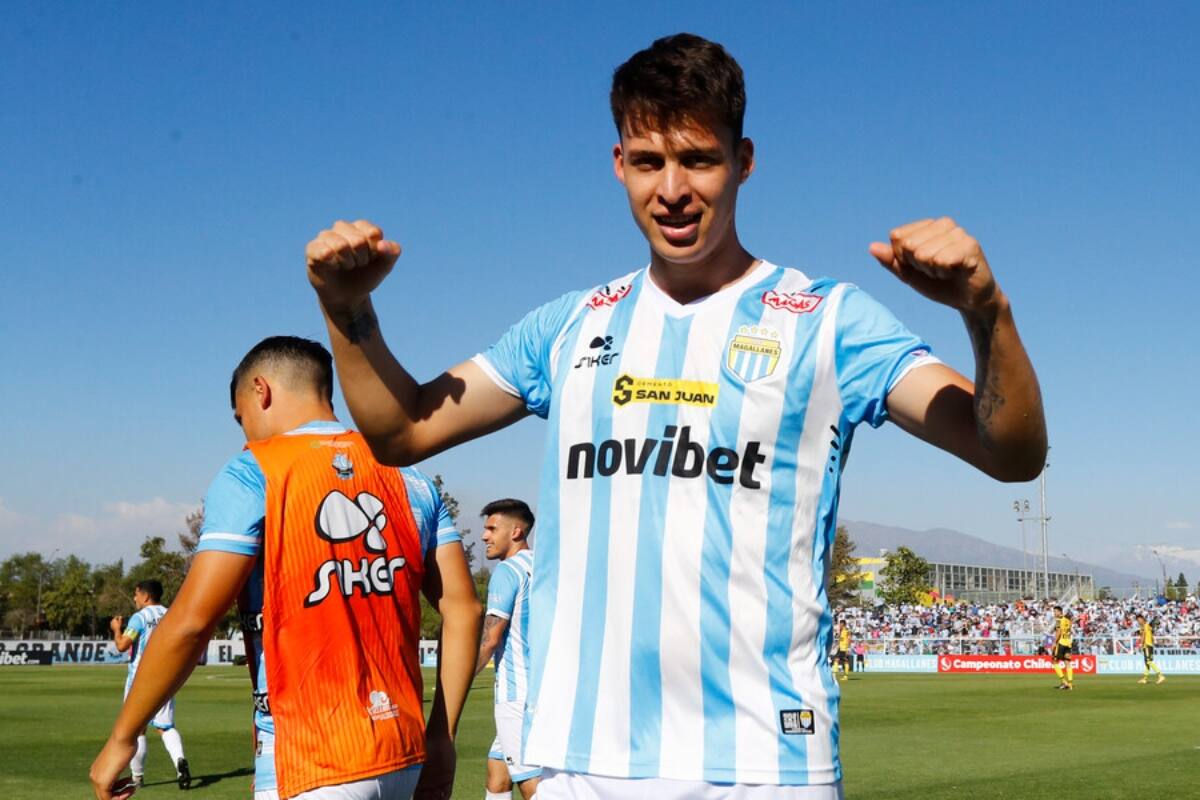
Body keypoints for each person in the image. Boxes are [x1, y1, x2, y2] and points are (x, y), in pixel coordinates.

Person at [305, 32, 1046, 799]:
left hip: (763, 767)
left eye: (698, 159)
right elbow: (405, 429)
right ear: (618, 164)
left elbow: (1010, 453)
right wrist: (346, 310)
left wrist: (987, 313)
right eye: (648, 161)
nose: (672, 189)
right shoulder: (570, 325)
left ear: (744, 160)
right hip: (580, 765)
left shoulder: (827, 321)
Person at [90, 336, 482, 800]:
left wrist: (124, 735)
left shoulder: (252, 471)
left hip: (309, 759)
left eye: (241, 417)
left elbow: (192, 622)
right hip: (405, 753)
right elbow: (464, 610)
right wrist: (442, 736)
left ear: (261, 390)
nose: (244, 433)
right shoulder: (410, 477)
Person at [474, 499, 541, 799]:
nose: (484, 536)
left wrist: (457, 683)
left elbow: (490, 639)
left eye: (492, 528)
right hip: (543, 689)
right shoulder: (543, 566)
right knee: (498, 772)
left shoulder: (506, 571)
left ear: (516, 532)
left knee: (532, 784)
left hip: (516, 696)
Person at [110, 580, 190, 790]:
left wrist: (116, 630)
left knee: (137, 729)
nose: (134, 598)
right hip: (166, 677)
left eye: (136, 594)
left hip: (140, 680)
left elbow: (122, 645)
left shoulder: (140, 618)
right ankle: (180, 761)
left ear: (145, 596)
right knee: (165, 727)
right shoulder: (171, 614)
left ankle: (137, 777)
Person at [1135, 613, 1166, 684]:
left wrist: (1141, 644)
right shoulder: (1147, 626)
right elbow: (1151, 635)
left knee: (1149, 661)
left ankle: (1160, 676)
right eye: (1137, 620)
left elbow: (1143, 635)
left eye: (1139, 620)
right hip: (1149, 645)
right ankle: (1144, 679)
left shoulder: (1144, 626)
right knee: (1147, 663)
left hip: (1147, 645)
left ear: (1142, 619)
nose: (1138, 621)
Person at [1051, 606, 1074, 690]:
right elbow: (1070, 631)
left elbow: (1059, 632)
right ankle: (1070, 684)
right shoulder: (1068, 620)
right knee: (1067, 663)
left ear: (1060, 612)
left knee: (1054, 661)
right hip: (1068, 643)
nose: (1054, 613)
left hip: (1061, 643)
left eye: (1055, 612)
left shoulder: (1058, 620)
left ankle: (1064, 682)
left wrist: (1054, 642)